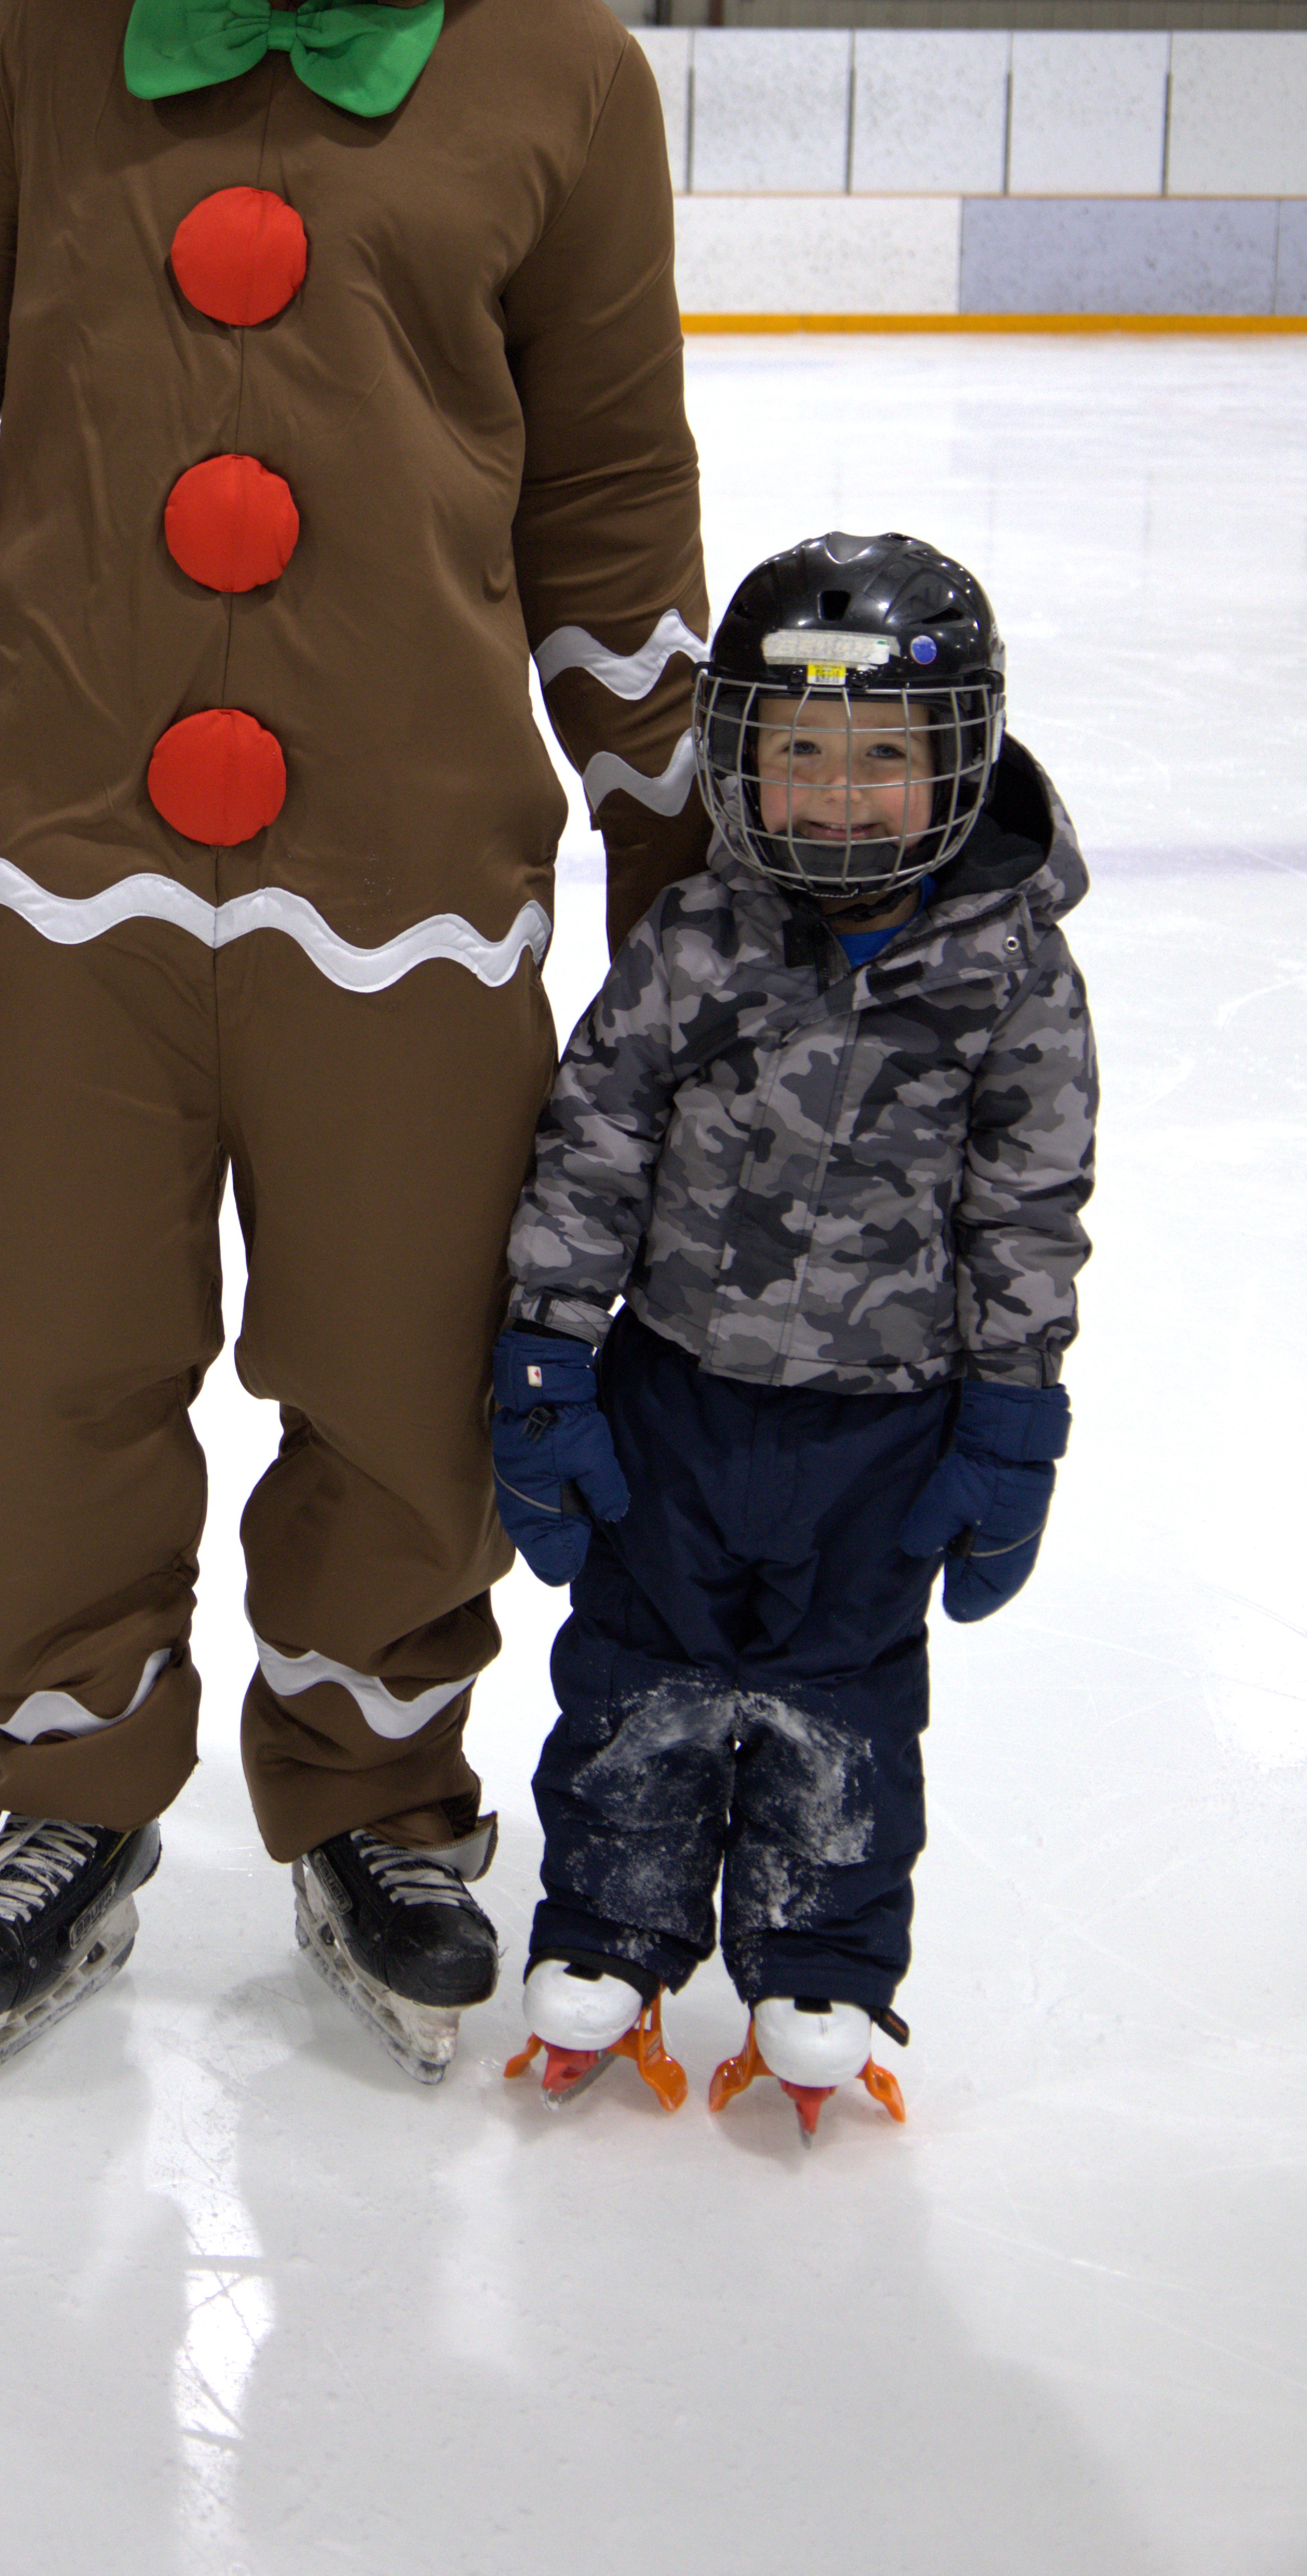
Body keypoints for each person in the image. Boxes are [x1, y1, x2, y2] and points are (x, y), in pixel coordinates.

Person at [0, 0, 710, 2092]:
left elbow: (603, 479)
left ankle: (370, 1778)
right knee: (49, 1357)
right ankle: (67, 1771)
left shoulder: (560, 73)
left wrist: (680, 845)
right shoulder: (45, 29)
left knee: (391, 1361)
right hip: (83, 878)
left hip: (416, 875)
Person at [493, 532, 1095, 2137]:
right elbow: (593, 1144)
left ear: (958, 758)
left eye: (883, 758)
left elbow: (1026, 1206)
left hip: (882, 1426)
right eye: (800, 754)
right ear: (743, 765)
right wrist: (548, 1362)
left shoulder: (1013, 974)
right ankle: (608, 1936)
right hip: (673, 1397)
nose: (837, 795)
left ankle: (816, 1964)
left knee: (844, 1700)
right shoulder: (697, 940)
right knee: (631, 1674)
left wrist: (1010, 1417)